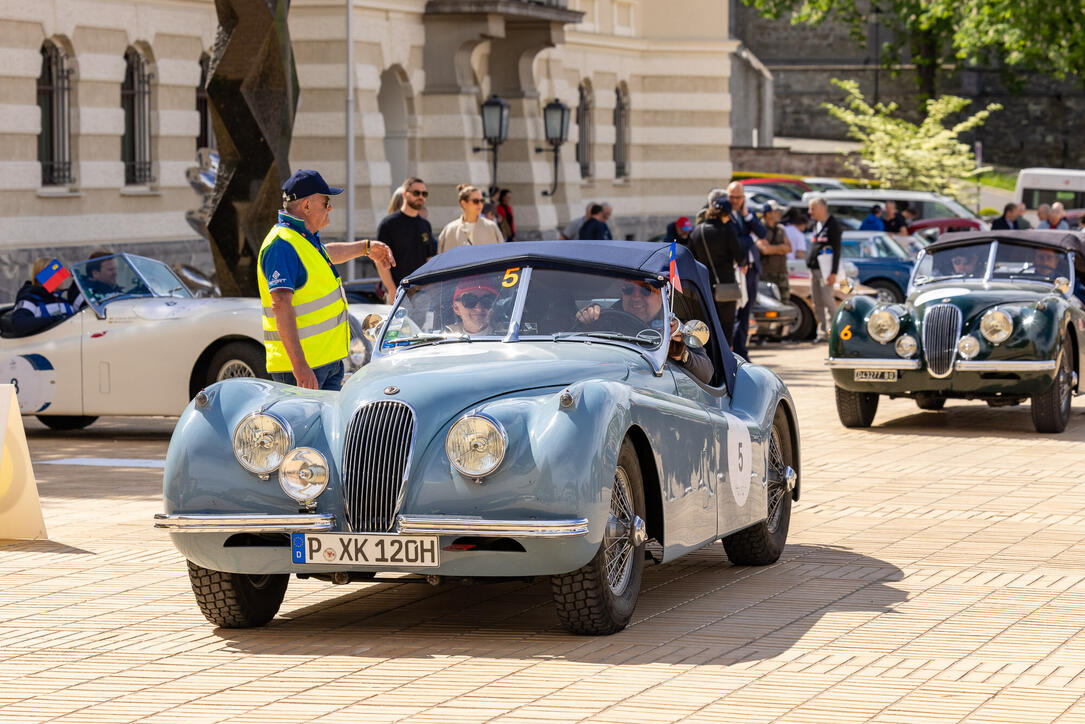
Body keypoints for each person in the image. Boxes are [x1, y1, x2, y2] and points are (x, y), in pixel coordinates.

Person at [258, 169, 395, 391]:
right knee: (305, 426)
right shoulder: (281, 244)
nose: (330, 207)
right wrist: (299, 365)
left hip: (327, 362)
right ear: (307, 206)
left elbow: (325, 254)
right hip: (303, 369)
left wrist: (366, 248)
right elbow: (281, 305)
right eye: (326, 201)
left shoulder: (301, 237)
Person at [575, 279, 712, 384]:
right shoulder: (604, 320)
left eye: (646, 290)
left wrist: (682, 355)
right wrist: (586, 324)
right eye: (628, 289)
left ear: (663, 295)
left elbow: (707, 374)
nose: (636, 297)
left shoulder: (675, 328)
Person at [689, 193, 745, 347]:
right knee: (726, 325)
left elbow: (691, 257)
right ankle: (727, 358)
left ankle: (708, 357)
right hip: (725, 283)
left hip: (704, 284)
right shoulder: (727, 230)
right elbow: (740, 256)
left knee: (708, 324)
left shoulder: (697, 231)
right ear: (725, 214)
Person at [726, 181, 767, 360]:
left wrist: (748, 217)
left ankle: (742, 351)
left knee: (745, 313)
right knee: (733, 312)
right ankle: (733, 352)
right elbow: (735, 241)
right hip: (734, 270)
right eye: (732, 197)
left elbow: (762, 232)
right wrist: (751, 237)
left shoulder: (747, 213)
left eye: (738, 197)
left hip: (751, 270)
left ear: (744, 198)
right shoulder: (725, 214)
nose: (735, 201)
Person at [376, 176, 434, 287]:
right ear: (404, 194)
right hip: (398, 290)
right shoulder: (389, 224)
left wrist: (430, 287)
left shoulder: (425, 225)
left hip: (422, 290)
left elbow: (429, 258)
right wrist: (391, 289)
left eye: (424, 194)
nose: (420, 197)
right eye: (416, 193)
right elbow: (380, 261)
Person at [9, 257, 75, 336]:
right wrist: (56, 319)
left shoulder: (62, 300)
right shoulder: (30, 299)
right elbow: (19, 324)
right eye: (56, 273)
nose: (62, 277)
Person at [807, 197, 842, 342]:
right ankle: (822, 333)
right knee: (817, 302)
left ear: (822, 208)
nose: (810, 212)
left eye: (812, 208)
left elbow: (837, 249)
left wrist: (833, 272)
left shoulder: (833, 225)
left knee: (828, 301)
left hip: (826, 270)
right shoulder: (817, 224)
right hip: (814, 269)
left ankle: (833, 331)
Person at [437, 184, 504, 253]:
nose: (480, 204)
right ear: (463, 203)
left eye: (482, 201)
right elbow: (443, 259)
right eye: (476, 201)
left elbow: (501, 253)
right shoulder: (450, 229)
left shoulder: (491, 227)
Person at [757, 201, 792, 303]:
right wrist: (780, 248)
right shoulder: (759, 229)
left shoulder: (781, 229)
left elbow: (789, 248)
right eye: (776, 211)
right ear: (768, 213)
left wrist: (773, 248)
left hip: (781, 273)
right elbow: (764, 250)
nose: (779, 214)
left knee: (785, 302)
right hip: (766, 274)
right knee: (768, 303)